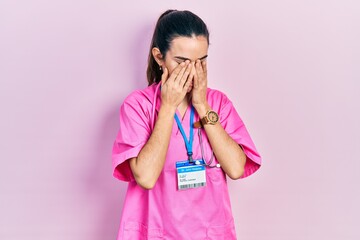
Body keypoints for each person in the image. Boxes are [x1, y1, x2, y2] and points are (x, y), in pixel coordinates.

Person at [112, 9, 262, 240]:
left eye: (200, 61)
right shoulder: (138, 106)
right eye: (182, 62)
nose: (192, 71)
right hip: (155, 231)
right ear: (159, 56)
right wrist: (168, 107)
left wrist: (202, 105)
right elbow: (146, 177)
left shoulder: (217, 103)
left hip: (209, 232)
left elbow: (235, 168)